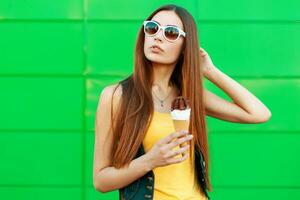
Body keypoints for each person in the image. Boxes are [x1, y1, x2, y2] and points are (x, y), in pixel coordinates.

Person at [93, 4, 272, 200]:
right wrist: (149, 160)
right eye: (152, 28)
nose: (158, 37)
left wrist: (210, 71)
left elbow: (258, 113)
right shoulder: (115, 96)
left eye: (170, 32)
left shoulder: (191, 96)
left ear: (186, 47)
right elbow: (101, 180)